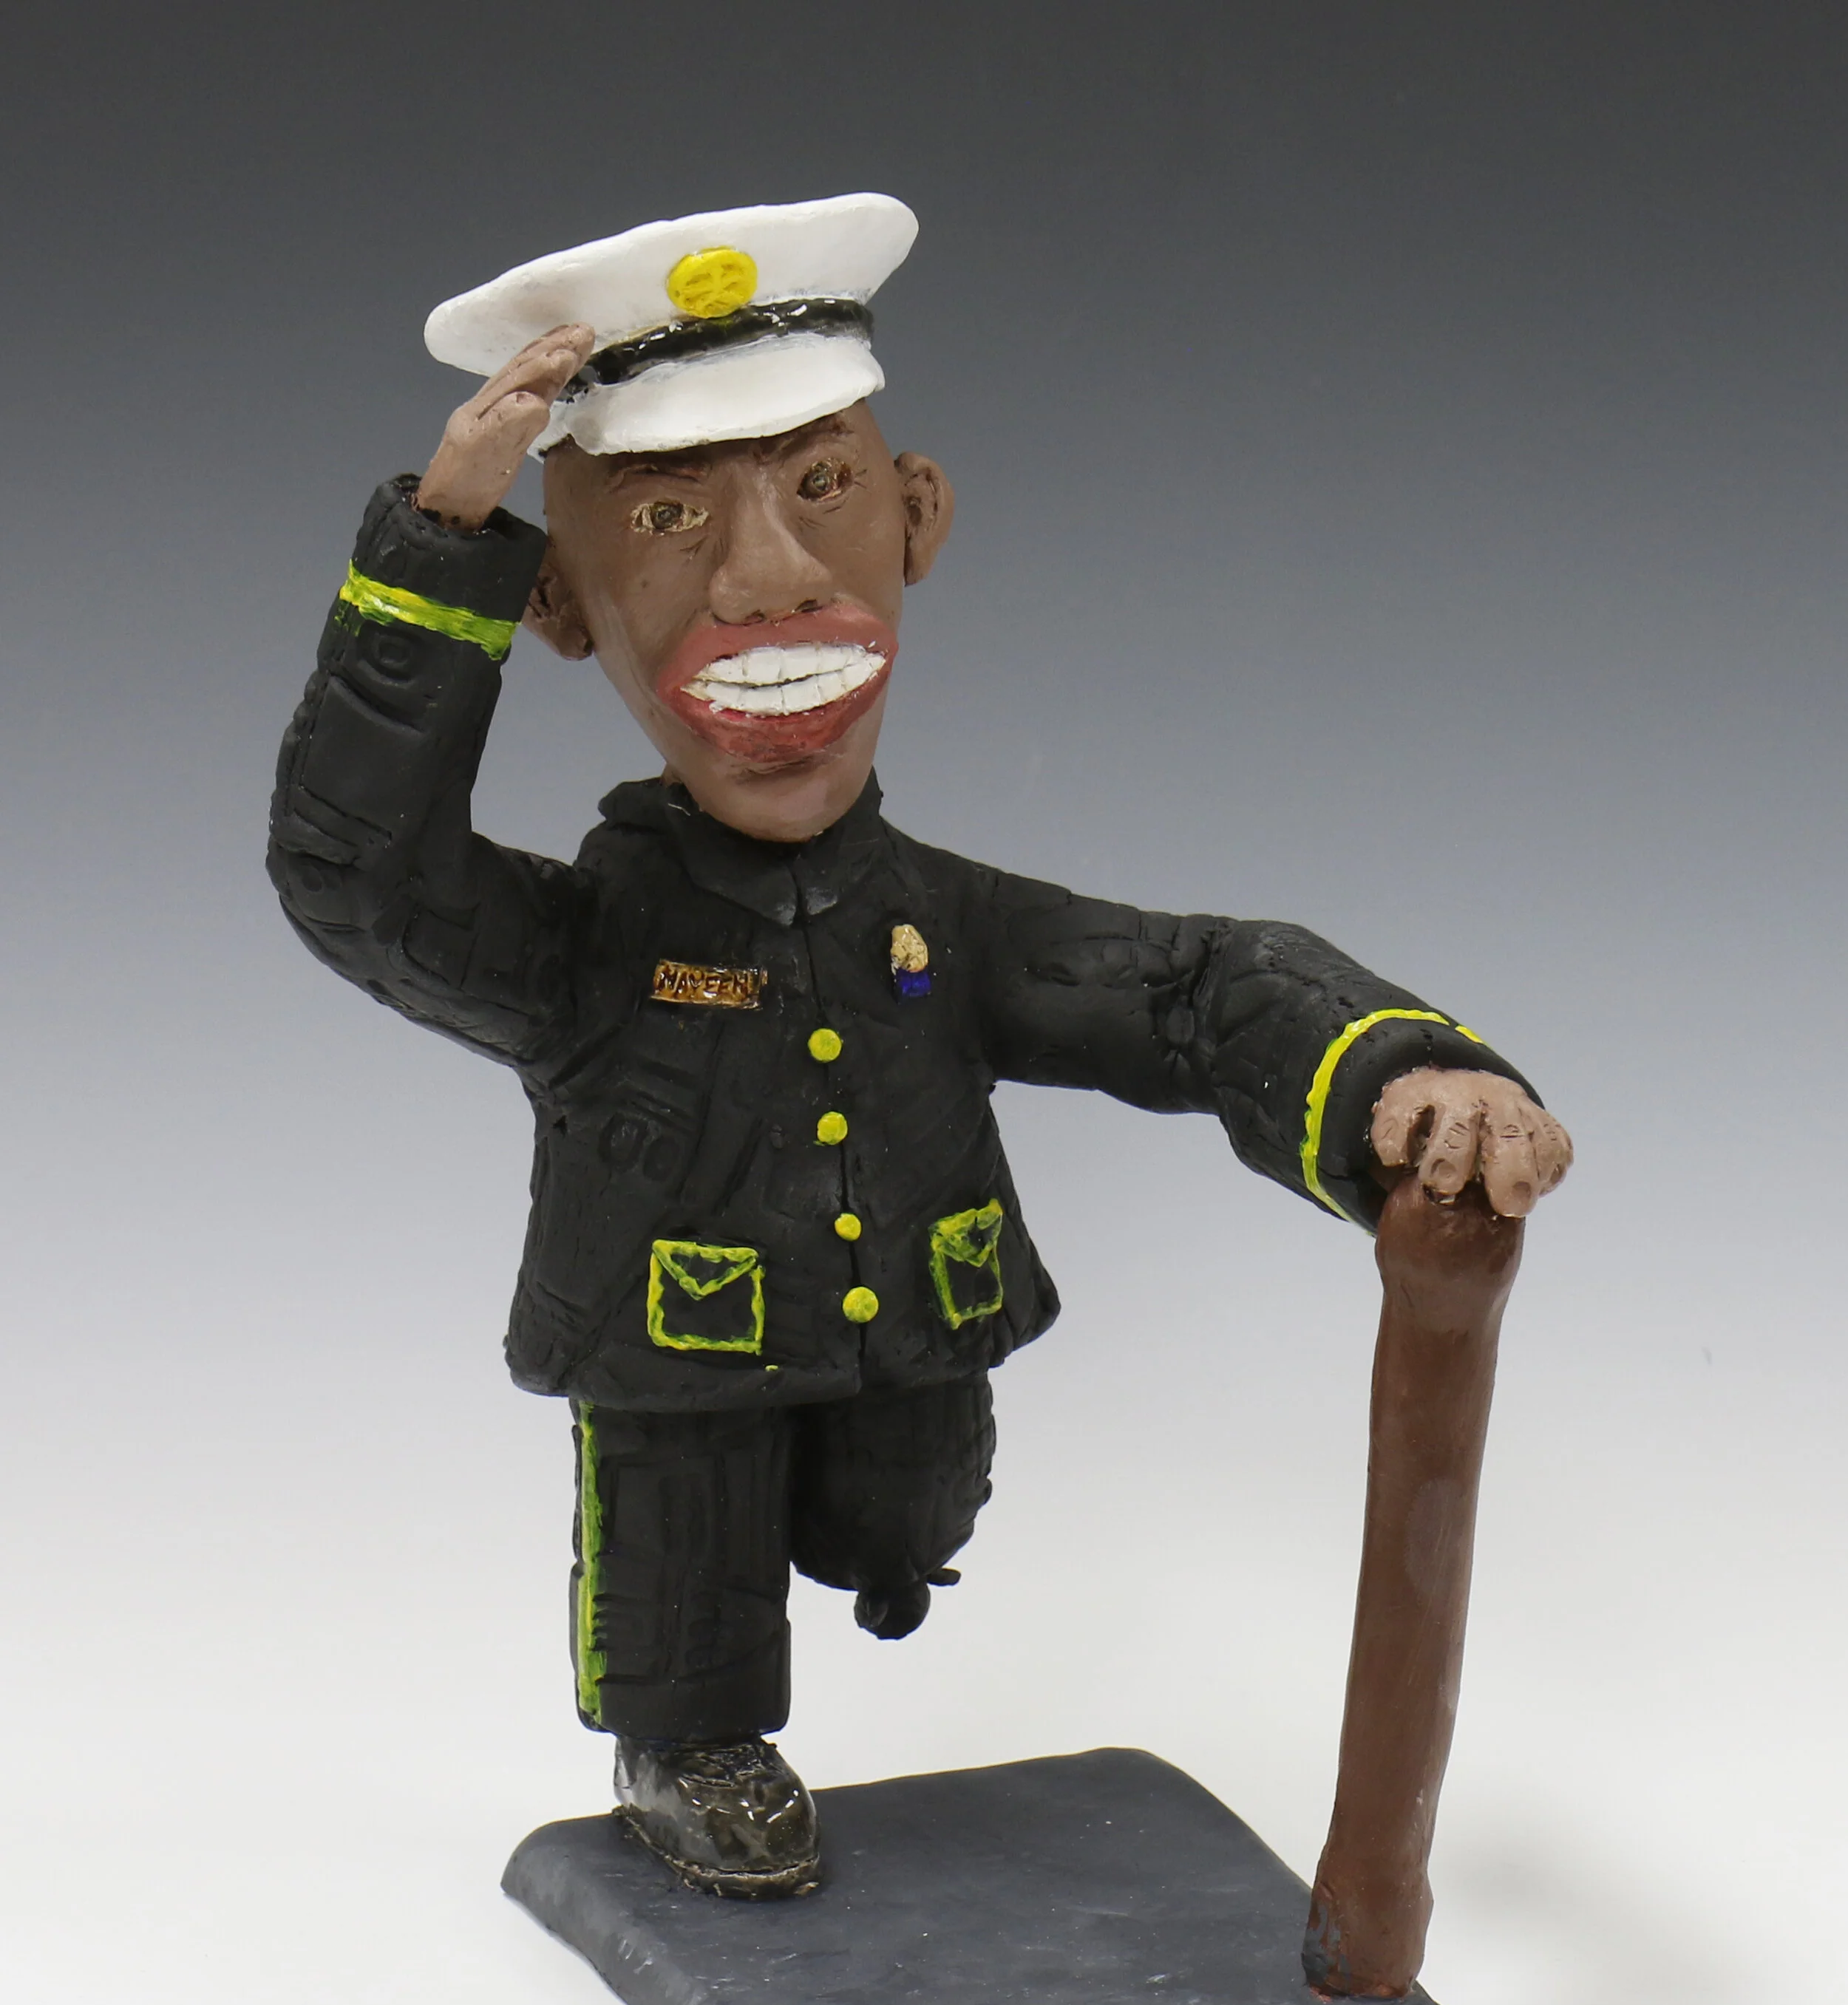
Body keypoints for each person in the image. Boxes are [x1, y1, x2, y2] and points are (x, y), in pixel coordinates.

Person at [269, 194, 1571, 1898]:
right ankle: (686, 1735)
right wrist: (438, 547)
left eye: (820, 488)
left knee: (906, 1510)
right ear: (560, 606)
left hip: (915, 1326)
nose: (764, 579)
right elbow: (362, 879)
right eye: (664, 520)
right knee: (684, 1531)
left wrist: (1405, 1075)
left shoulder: (943, 926)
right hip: (674, 1335)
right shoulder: (584, 956)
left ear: (918, 516)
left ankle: (872, 1532)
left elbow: (1189, 987)